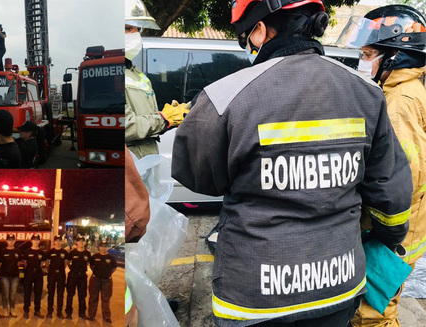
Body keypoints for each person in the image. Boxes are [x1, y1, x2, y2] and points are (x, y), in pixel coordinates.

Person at [171, 0, 414, 326]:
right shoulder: (368, 92)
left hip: (254, 297)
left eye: (245, 38)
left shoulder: (226, 95)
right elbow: (391, 195)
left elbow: (198, 177)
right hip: (339, 287)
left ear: (258, 30)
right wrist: (390, 235)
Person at [337, 5, 426, 326]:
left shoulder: (400, 102)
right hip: (397, 230)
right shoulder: (397, 91)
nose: (362, 61)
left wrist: (381, 233)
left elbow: (401, 178)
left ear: (395, 56)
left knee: (371, 314)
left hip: (390, 235)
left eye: (368, 53)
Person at [124, 0, 189, 158]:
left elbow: (145, 119)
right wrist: (164, 118)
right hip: (129, 163)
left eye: (137, 28)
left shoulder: (137, 74)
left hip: (147, 157)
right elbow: (125, 126)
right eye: (127, 28)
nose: (135, 33)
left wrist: (168, 115)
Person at [87, 241, 117, 323]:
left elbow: (114, 268)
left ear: (107, 247)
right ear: (99, 247)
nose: (103, 248)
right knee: (93, 298)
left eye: (105, 246)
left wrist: (107, 274)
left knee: (106, 299)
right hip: (95, 280)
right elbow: (91, 266)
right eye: (102, 246)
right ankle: (91, 315)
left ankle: (106, 317)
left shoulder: (111, 258)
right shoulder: (94, 256)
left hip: (107, 280)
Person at [65, 235, 91, 320]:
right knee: (70, 295)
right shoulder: (72, 253)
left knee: (82, 295)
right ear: (76, 242)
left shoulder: (87, 253)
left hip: (82, 277)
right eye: (79, 241)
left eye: (82, 241)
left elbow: (88, 263)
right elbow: (68, 262)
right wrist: (72, 269)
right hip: (73, 276)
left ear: (84, 243)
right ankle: (69, 313)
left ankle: (82, 313)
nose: (81, 243)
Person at [22, 234, 46, 318]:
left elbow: (43, 264)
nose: (36, 241)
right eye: (34, 240)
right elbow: (25, 264)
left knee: (38, 293)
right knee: (27, 293)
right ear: (31, 241)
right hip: (29, 274)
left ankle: (37, 310)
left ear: (39, 241)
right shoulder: (27, 252)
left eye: (37, 240)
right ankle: (26, 311)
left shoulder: (42, 253)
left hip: (38, 275)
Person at [0, 234, 21, 317]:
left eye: (12, 240)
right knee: (5, 293)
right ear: (6, 241)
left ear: (14, 241)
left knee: (13, 294)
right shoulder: (3, 252)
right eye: (9, 240)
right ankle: (5, 309)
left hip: (15, 276)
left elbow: (18, 263)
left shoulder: (18, 251)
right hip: (4, 276)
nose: (11, 242)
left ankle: (12, 309)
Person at [47, 235, 68, 319]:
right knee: (51, 293)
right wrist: (51, 270)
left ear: (62, 242)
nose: (58, 242)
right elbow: (47, 264)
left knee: (60, 294)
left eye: (60, 241)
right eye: (57, 241)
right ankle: (49, 311)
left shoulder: (65, 252)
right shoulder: (50, 252)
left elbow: (66, 264)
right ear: (54, 242)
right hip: (52, 274)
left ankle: (59, 312)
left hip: (61, 275)